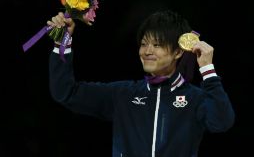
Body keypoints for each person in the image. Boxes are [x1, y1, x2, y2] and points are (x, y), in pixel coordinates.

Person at [47, 10, 235, 157]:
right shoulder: (123, 95)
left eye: (157, 45)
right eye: (144, 44)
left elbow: (221, 122)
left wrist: (208, 71)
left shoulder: (195, 98)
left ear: (178, 52)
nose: (147, 51)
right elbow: (66, 93)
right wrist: (63, 42)